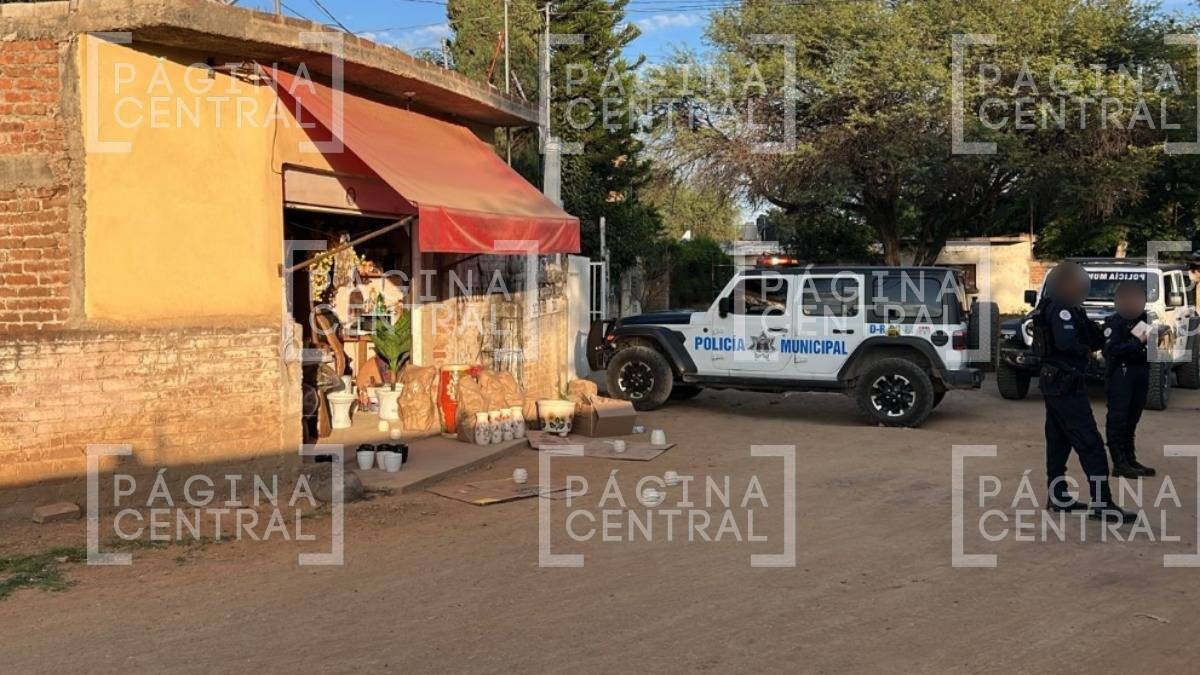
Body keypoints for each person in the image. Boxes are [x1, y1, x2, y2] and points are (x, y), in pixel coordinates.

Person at [1033, 262, 1135, 523]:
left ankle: (1058, 496)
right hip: (1065, 383)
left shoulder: (1057, 306)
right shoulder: (1062, 309)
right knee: (1090, 443)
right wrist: (1086, 351)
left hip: (1056, 383)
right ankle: (1103, 503)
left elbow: (1093, 336)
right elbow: (1066, 343)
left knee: (1058, 441)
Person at [1103, 281, 1155, 478]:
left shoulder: (1145, 320)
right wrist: (1136, 341)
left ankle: (1130, 459)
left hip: (1141, 372)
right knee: (1118, 419)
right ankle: (1119, 463)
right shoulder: (1114, 322)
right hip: (1121, 374)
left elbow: (1150, 347)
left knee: (1133, 418)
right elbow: (1111, 350)